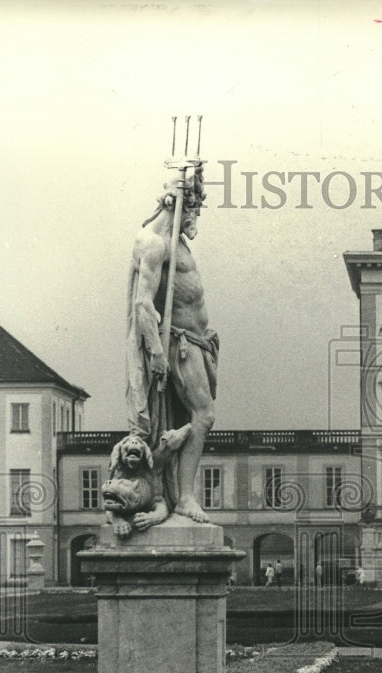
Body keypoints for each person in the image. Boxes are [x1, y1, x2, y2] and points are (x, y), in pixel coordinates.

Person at [127, 166, 218, 524]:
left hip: (198, 343)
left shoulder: (176, 242)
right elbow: (142, 304)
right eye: (194, 208)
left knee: (188, 419)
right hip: (179, 344)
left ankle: (176, 493)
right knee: (203, 415)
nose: (196, 217)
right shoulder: (153, 242)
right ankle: (186, 498)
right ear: (179, 203)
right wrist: (158, 352)